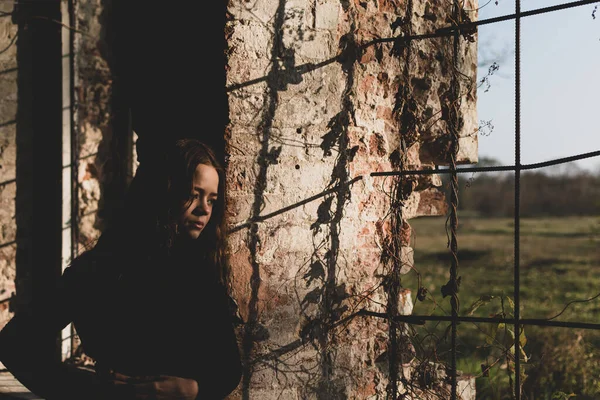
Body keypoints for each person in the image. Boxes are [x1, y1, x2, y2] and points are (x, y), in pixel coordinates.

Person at [0, 138, 242, 399]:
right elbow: (14, 343)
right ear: (165, 191)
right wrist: (86, 391)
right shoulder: (102, 268)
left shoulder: (202, 272)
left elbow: (228, 370)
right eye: (193, 195)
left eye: (211, 199)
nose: (204, 209)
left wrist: (193, 389)